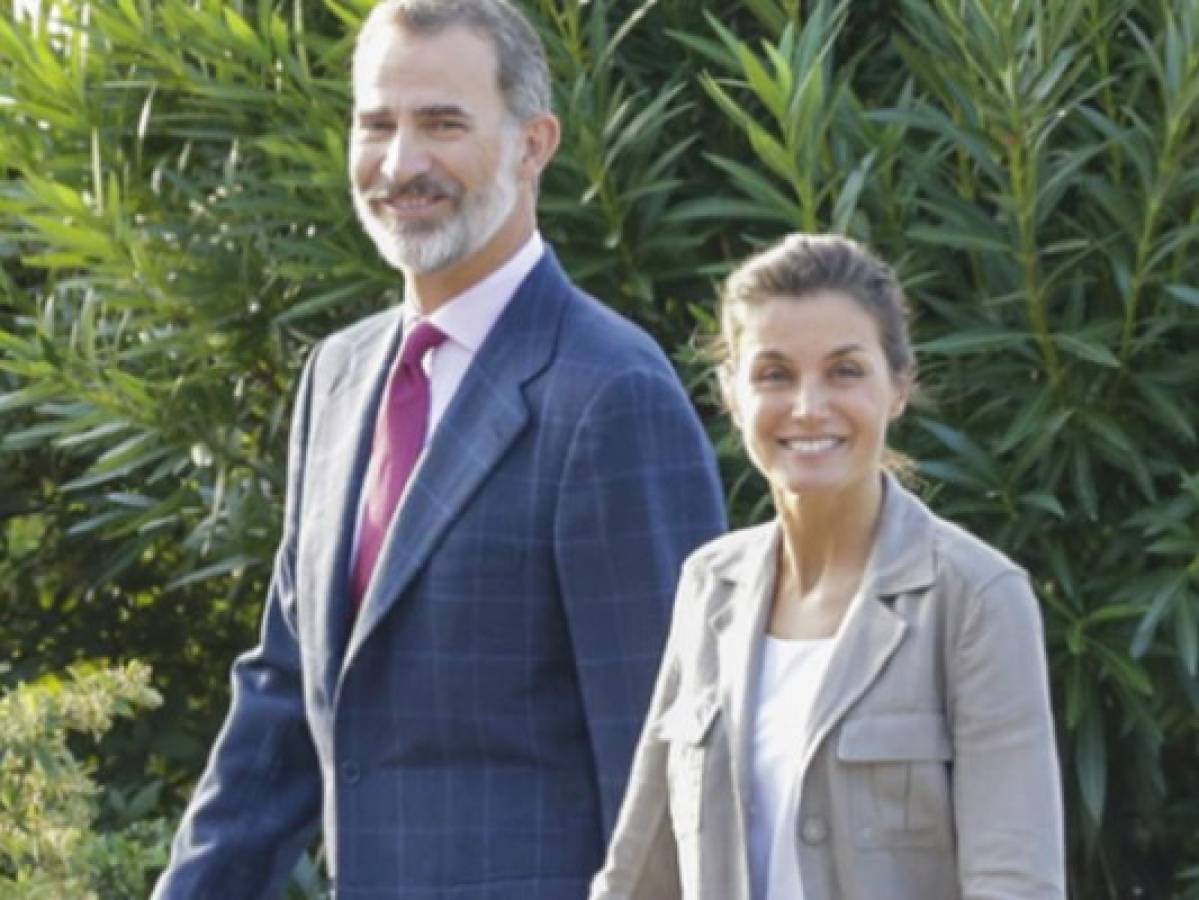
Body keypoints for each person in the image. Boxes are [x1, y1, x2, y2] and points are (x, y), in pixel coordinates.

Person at [152, 1, 726, 897]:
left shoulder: (611, 394)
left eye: (442, 124)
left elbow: (663, 767)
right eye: (376, 124)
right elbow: (284, 703)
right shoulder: (337, 378)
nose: (400, 163)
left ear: (533, 145)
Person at [589, 233, 1065, 900]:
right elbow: (641, 874)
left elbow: (1014, 883)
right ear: (731, 393)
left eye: (844, 371)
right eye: (774, 374)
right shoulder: (708, 586)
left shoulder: (976, 599)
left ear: (898, 386)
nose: (808, 407)